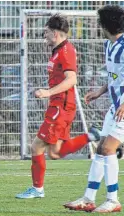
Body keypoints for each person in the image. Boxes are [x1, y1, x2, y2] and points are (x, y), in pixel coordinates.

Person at [63, 5, 124, 213]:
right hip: (117, 105)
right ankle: (88, 198)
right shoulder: (109, 45)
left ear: (104, 25)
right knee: (101, 149)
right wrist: (100, 91)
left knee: (108, 148)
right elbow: (116, 76)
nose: (97, 25)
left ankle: (113, 200)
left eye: (99, 22)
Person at [15, 14, 101, 199]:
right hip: (60, 106)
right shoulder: (58, 50)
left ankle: (37, 189)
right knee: (55, 152)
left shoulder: (66, 51)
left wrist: (48, 92)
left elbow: (72, 79)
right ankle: (91, 136)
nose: (44, 36)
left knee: (36, 146)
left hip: (61, 107)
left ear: (55, 33)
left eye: (46, 32)